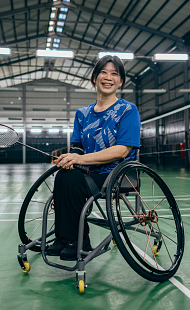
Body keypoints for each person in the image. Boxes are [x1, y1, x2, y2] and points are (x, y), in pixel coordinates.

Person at [48, 55, 141, 261]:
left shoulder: (127, 110)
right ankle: (63, 238)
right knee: (64, 176)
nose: (108, 78)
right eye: (103, 72)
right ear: (94, 78)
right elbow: (78, 148)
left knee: (72, 179)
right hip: (90, 171)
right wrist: (71, 158)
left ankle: (80, 241)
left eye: (114, 74)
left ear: (121, 81)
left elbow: (122, 151)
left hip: (116, 174)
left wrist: (79, 160)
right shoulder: (82, 113)